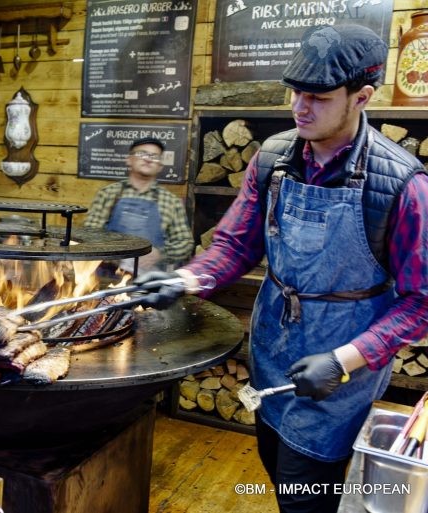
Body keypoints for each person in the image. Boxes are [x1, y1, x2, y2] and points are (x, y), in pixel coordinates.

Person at [136, 24, 428, 513]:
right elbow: (234, 245)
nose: (299, 107)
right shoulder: (273, 158)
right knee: (275, 465)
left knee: (306, 493)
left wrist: (345, 361)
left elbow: (422, 301)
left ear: (363, 97)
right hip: (274, 348)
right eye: (294, 92)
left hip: (339, 371)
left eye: (317, 97)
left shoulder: (402, 185)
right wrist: (184, 280)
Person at [83, 136, 194, 273]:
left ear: (160, 166)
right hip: (107, 279)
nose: (148, 159)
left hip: (149, 282)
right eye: (142, 154)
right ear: (129, 160)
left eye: (154, 156)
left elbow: (185, 243)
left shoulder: (171, 202)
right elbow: (89, 234)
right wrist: (115, 254)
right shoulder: (109, 194)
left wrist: (160, 254)